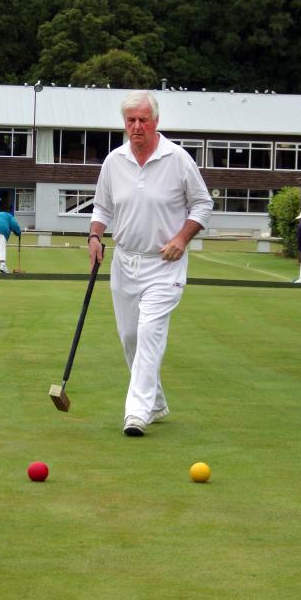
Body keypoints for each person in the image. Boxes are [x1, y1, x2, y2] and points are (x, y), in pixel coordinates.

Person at [88, 90, 213, 437]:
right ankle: (156, 402)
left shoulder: (178, 159)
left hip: (164, 264)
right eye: (131, 120)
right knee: (130, 337)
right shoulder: (114, 161)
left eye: (144, 119)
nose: (137, 126)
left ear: (156, 121)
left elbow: (202, 205)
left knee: (148, 334)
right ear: (124, 123)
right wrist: (95, 236)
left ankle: (136, 412)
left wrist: (182, 238)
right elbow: (102, 207)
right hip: (125, 261)